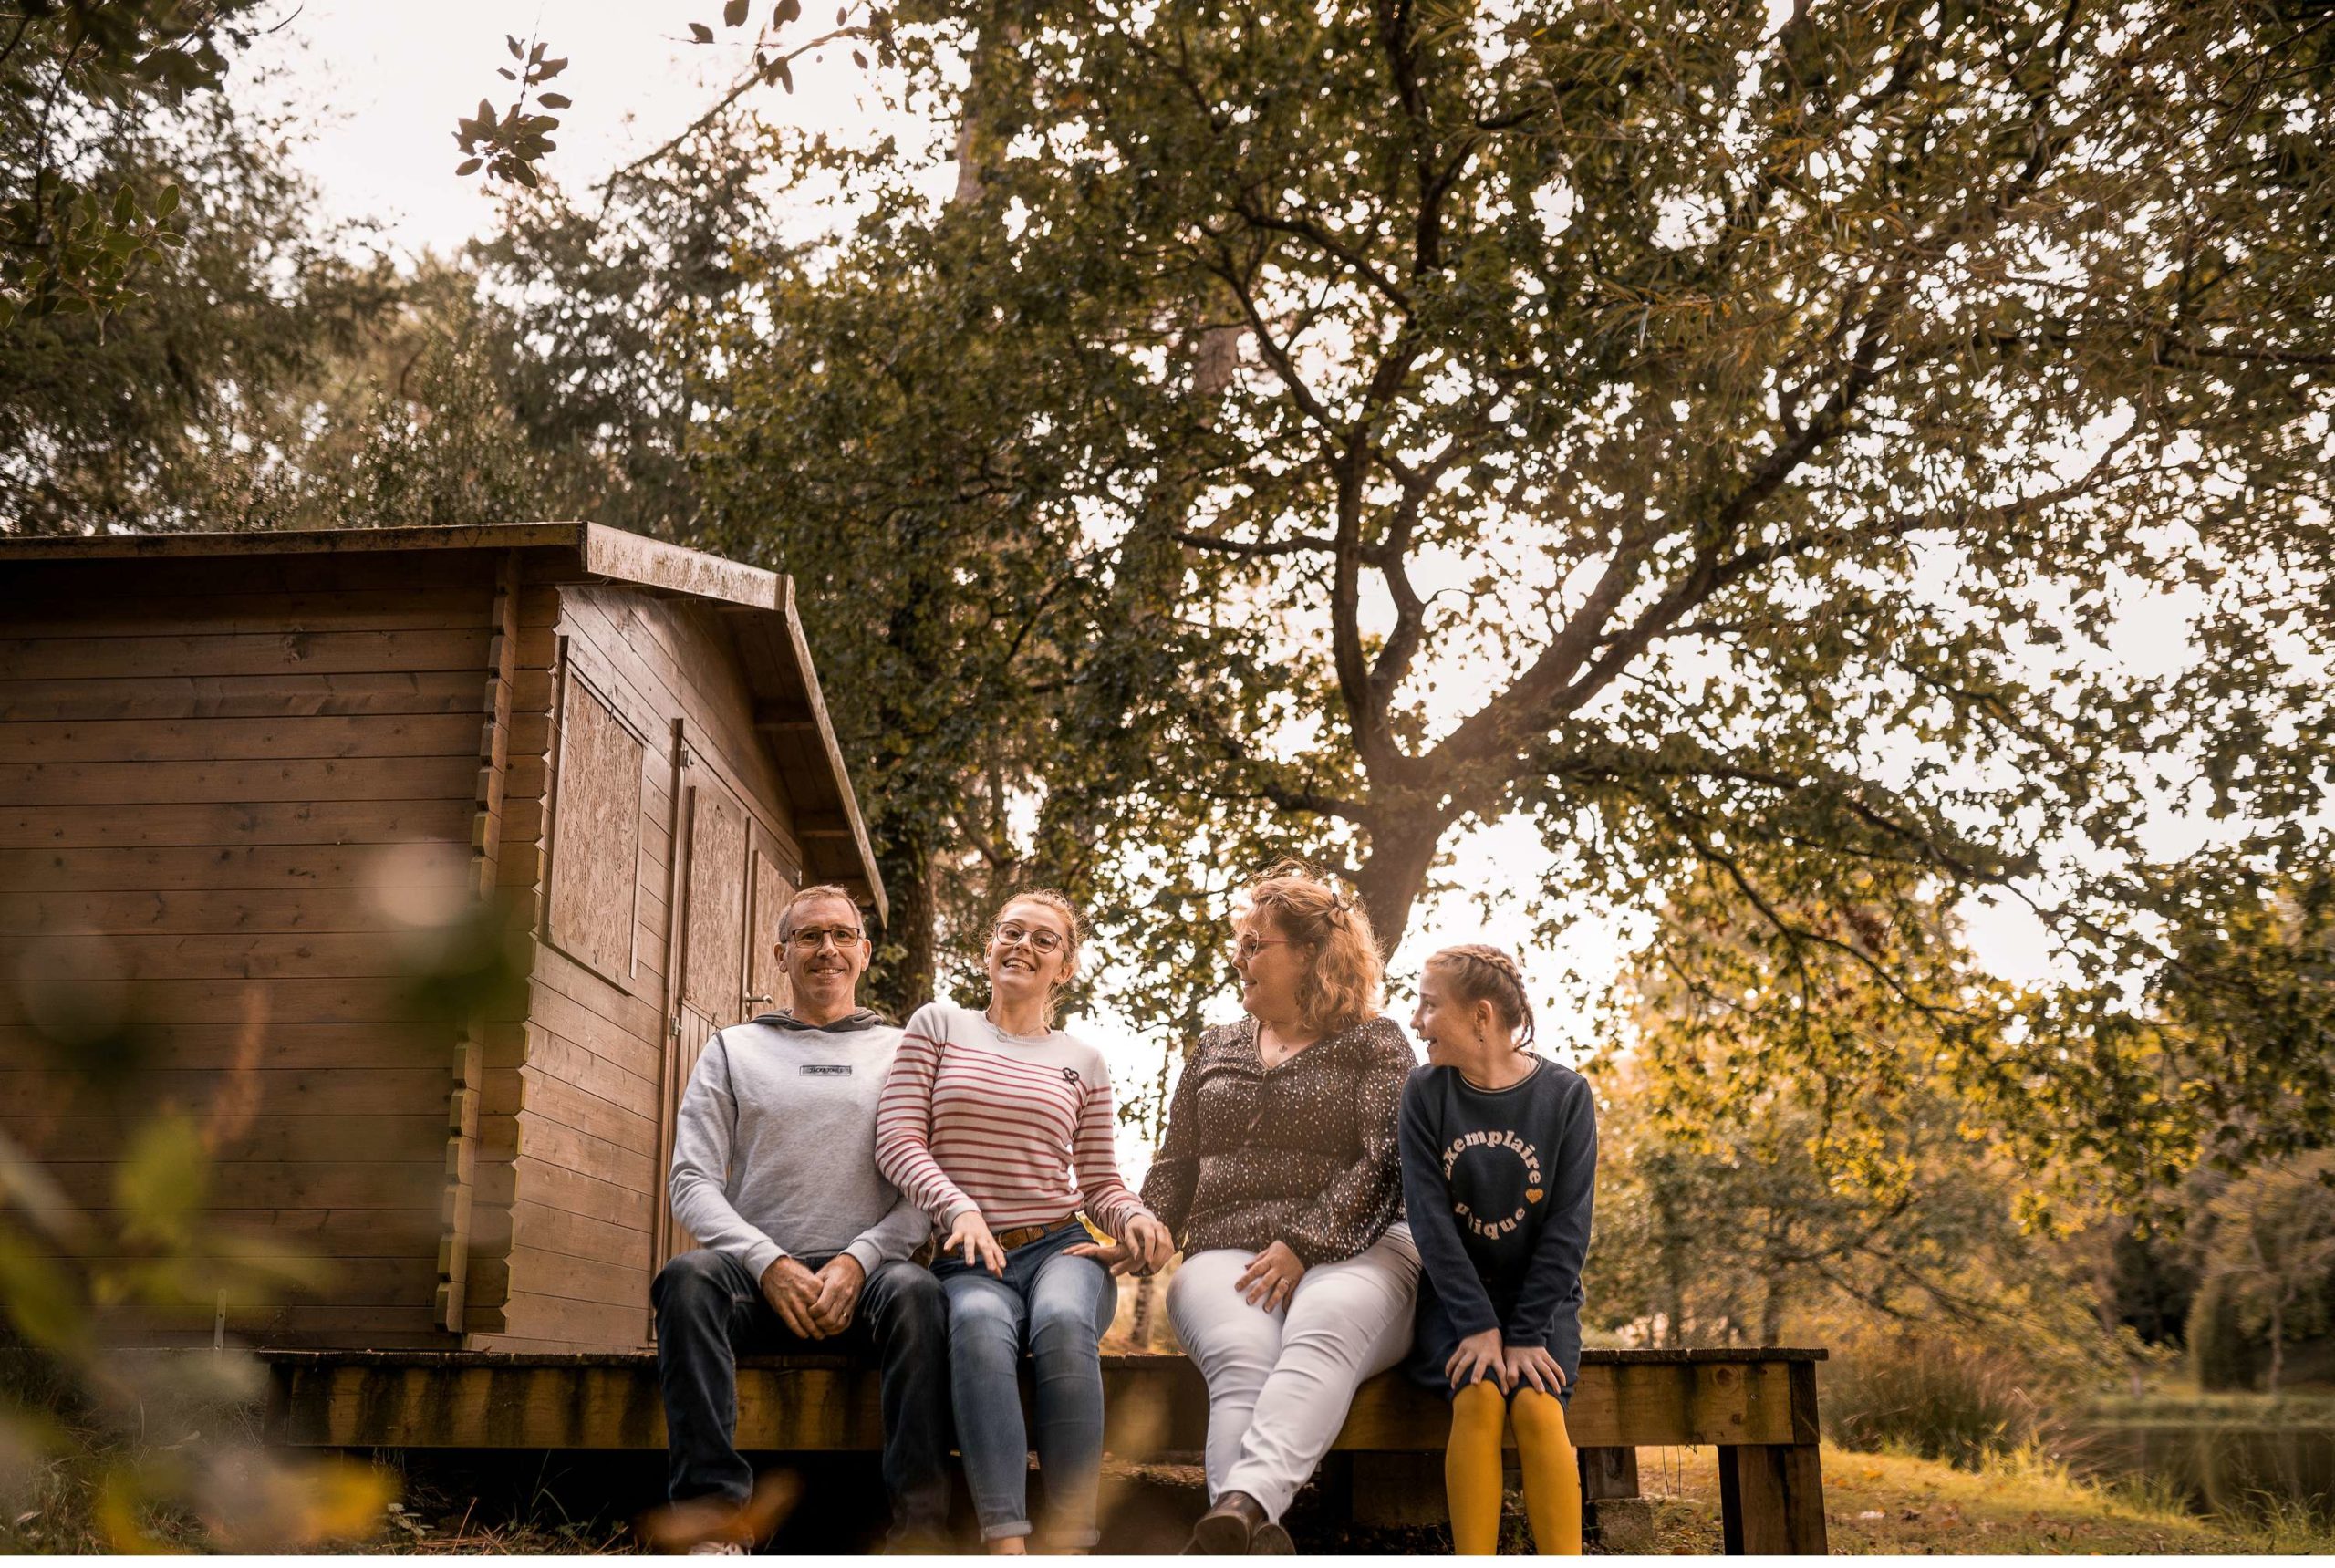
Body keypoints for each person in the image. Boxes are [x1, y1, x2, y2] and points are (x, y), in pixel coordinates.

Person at [652, 884, 950, 1555]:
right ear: (782, 953)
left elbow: (923, 1186)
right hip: (757, 1284)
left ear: (865, 953)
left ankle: (920, 1533)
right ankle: (712, 1522)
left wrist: (860, 1259)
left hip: (871, 1283)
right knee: (686, 1280)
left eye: (842, 935)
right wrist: (768, 1261)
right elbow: (691, 1180)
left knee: (921, 1292)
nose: (827, 949)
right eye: (810, 936)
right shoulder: (731, 1048)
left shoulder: (904, 1050)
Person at [875, 889, 1173, 1555]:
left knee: (1064, 1323)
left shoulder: (1084, 1061)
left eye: (1045, 939)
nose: (1024, 946)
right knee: (980, 1328)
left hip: (1062, 1250)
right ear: (987, 949)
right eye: (1012, 932)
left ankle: (1070, 1539)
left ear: (1064, 967)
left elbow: (1099, 1183)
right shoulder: (939, 1025)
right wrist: (959, 1206)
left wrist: (1134, 1217)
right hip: (968, 1260)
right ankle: (1006, 1539)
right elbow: (897, 1139)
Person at [1135, 862, 1420, 1555]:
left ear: (1311, 956)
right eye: (1242, 942)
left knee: (1322, 1322)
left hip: (1364, 1244)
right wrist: (1142, 1228)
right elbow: (1175, 1166)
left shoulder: (1376, 1042)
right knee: (1241, 1357)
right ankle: (1253, 1529)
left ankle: (1243, 1502)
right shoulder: (1216, 1045)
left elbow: (1386, 1160)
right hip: (1226, 1248)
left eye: (1256, 943)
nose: (1241, 955)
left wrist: (1304, 1242)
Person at [1400, 944, 1597, 1556]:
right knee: (1481, 1394)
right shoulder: (1425, 1092)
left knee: (1540, 1409)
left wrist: (1529, 1331)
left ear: (1481, 1016)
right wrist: (1478, 1323)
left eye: (1430, 1006)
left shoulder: (1566, 1096)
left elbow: (1568, 1229)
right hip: (1455, 1301)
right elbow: (1430, 1222)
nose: (1416, 1019)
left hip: (1541, 1304)